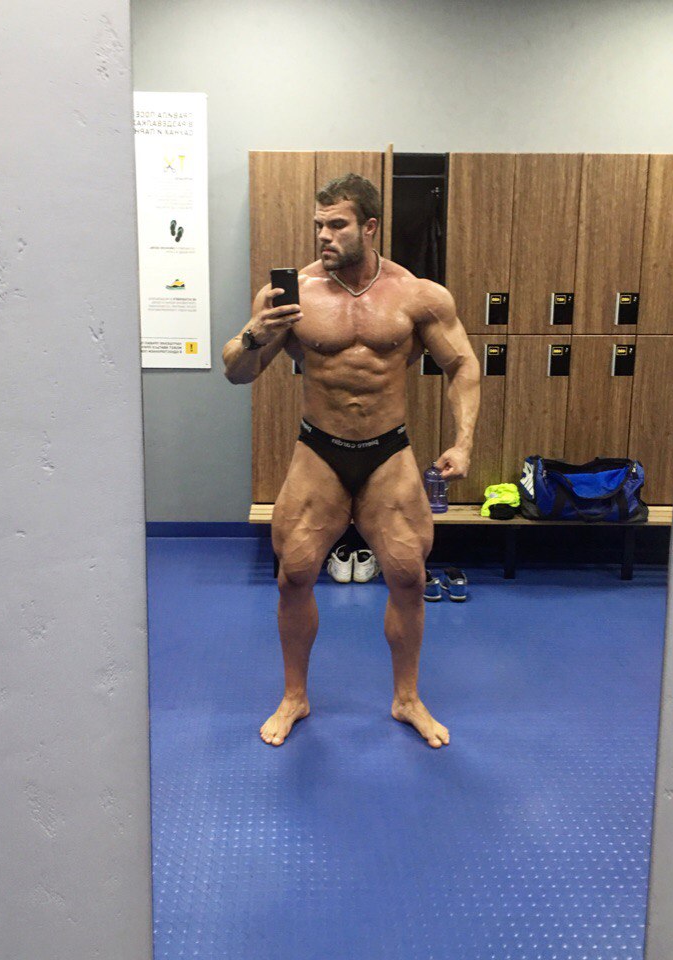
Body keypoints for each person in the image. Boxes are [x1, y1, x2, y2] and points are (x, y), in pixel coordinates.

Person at [222, 173, 481, 748]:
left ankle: (407, 699)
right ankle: (294, 696)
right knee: (294, 574)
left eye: (336, 225)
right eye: (318, 225)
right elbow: (237, 372)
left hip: (388, 452)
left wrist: (462, 442)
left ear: (369, 227)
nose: (323, 236)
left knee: (409, 576)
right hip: (320, 450)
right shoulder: (291, 296)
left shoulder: (418, 295)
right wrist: (254, 334)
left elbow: (462, 363)